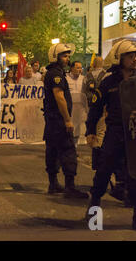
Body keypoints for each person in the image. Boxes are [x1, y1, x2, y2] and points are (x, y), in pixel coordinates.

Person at [86, 39, 136, 234]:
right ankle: (94, 207)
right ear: (119, 58)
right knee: (104, 171)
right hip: (115, 133)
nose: (134, 60)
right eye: (130, 56)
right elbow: (96, 108)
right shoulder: (108, 81)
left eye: (135, 56)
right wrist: (90, 131)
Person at [42, 43, 88, 199]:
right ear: (55, 57)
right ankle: (70, 187)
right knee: (68, 151)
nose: (67, 58)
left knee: (53, 151)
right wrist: (67, 120)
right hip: (59, 121)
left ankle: (53, 184)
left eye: (68, 56)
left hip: (52, 121)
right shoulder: (56, 74)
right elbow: (59, 97)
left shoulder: (55, 73)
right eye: (64, 55)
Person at [66, 61, 88, 147]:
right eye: (77, 68)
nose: (80, 70)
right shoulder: (66, 78)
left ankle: (74, 148)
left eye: (81, 68)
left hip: (80, 109)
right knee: (69, 128)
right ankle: (68, 148)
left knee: (78, 129)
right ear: (71, 68)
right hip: (69, 108)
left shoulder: (84, 79)